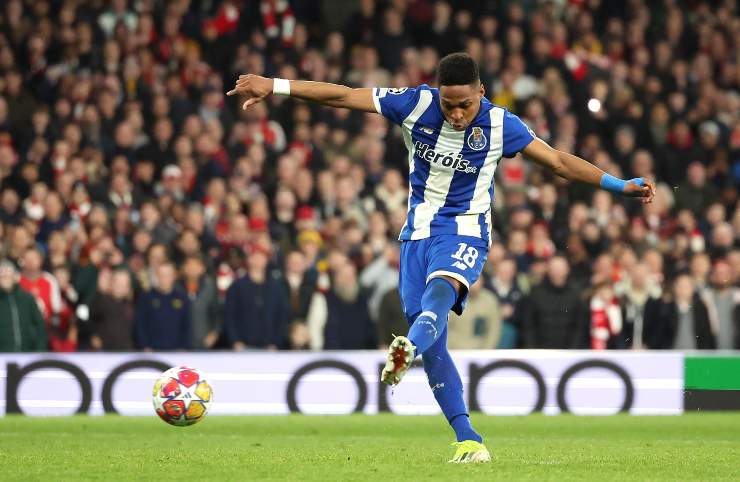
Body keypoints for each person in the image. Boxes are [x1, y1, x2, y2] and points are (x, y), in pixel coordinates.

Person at [227, 52, 654, 463]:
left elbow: (559, 161)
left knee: (438, 299)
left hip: (466, 229)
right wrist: (276, 86)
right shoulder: (415, 103)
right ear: (437, 93)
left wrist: (618, 185)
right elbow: (343, 95)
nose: (456, 114)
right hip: (416, 234)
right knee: (434, 341)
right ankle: (467, 437)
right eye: (449, 105)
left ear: (482, 92)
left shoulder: (502, 123)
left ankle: (407, 348)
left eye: (466, 105)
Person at [134, 262, 191, 351]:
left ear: (173, 277)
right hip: (152, 351)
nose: (164, 279)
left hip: (176, 351)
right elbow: (140, 324)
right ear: (156, 276)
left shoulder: (182, 298)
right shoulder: (146, 297)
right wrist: (144, 345)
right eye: (161, 275)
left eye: (168, 275)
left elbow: (187, 324)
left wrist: (184, 346)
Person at [0, 259, 47, 352]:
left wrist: (40, 350)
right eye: (2, 275)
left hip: (27, 355)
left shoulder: (27, 299)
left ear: (15, 276)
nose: (5, 276)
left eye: (8, 274)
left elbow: (40, 326)